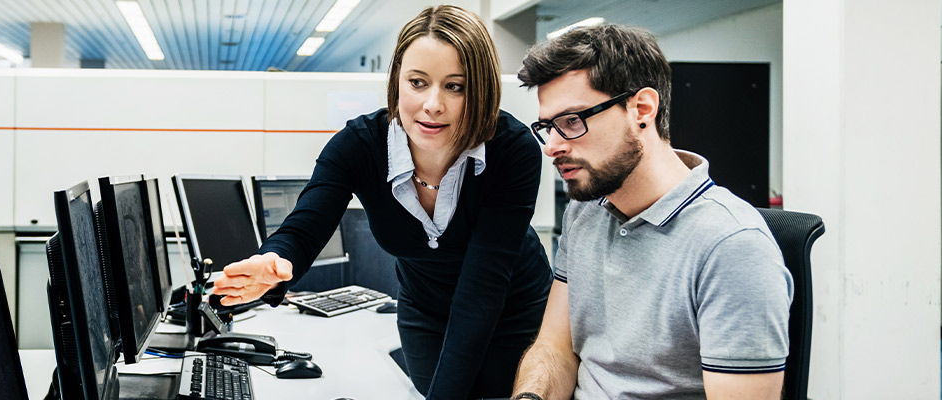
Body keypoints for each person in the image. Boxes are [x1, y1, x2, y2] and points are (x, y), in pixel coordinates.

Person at [212, 5, 551, 399]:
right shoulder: (360, 145)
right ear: (397, 82)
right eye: (418, 82)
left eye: (455, 86)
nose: (433, 104)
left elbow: (483, 285)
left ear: (481, 89)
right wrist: (274, 259)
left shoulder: (511, 149)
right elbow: (307, 222)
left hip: (513, 307)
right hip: (424, 309)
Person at [508, 24, 792, 400]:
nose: (553, 146)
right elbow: (555, 349)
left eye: (572, 121)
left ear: (642, 109)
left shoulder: (732, 245)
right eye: (548, 127)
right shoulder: (585, 213)